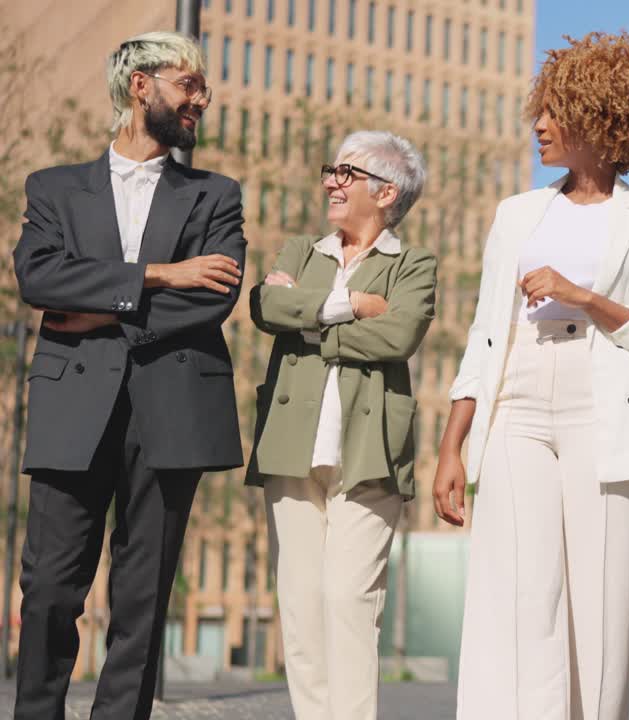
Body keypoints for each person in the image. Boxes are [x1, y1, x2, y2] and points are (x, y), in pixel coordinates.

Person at [434, 31, 629, 720]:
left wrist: (585, 297)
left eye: (554, 111)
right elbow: (484, 337)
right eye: (539, 110)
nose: (538, 124)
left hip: (603, 406)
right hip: (516, 402)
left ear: (600, 117)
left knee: (601, 617)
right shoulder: (516, 214)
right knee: (520, 602)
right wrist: (452, 447)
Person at [10, 31, 244, 719]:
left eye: (204, 87)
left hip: (171, 409)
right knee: (50, 588)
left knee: (142, 600)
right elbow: (38, 277)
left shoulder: (215, 195)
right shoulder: (54, 187)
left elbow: (215, 295)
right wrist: (157, 275)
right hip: (71, 404)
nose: (202, 98)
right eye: (189, 84)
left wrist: (90, 306)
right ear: (141, 86)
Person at [245, 131, 435, 720]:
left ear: (385, 192)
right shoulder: (302, 250)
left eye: (344, 173)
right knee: (301, 605)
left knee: (350, 599)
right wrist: (350, 305)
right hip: (290, 447)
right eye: (332, 171)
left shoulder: (414, 264)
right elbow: (263, 307)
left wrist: (305, 314)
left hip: (370, 450)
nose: (330, 181)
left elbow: (398, 335)